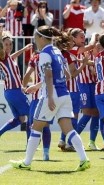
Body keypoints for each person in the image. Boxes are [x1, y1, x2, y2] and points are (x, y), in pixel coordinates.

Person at [10, 26, 90, 171]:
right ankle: (84, 159)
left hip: (50, 95)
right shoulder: (58, 51)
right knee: (69, 129)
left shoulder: (44, 54)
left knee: (36, 127)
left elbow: (48, 75)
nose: (34, 40)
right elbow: (66, 75)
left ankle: (26, 163)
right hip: (65, 95)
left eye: (35, 37)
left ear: (41, 38)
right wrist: (38, 86)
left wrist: (50, 96)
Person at [0, 27, 31, 140]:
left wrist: (23, 49)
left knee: (20, 119)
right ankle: (30, 142)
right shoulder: (2, 56)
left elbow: (12, 56)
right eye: (6, 44)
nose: (9, 46)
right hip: (14, 91)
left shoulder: (8, 58)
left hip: (9, 92)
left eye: (10, 44)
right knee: (30, 114)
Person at [22, 48, 51, 161]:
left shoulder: (35, 58)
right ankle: (46, 152)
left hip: (37, 97)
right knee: (46, 125)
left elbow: (28, 73)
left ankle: (29, 153)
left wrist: (23, 87)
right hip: (48, 96)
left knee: (31, 124)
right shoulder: (51, 57)